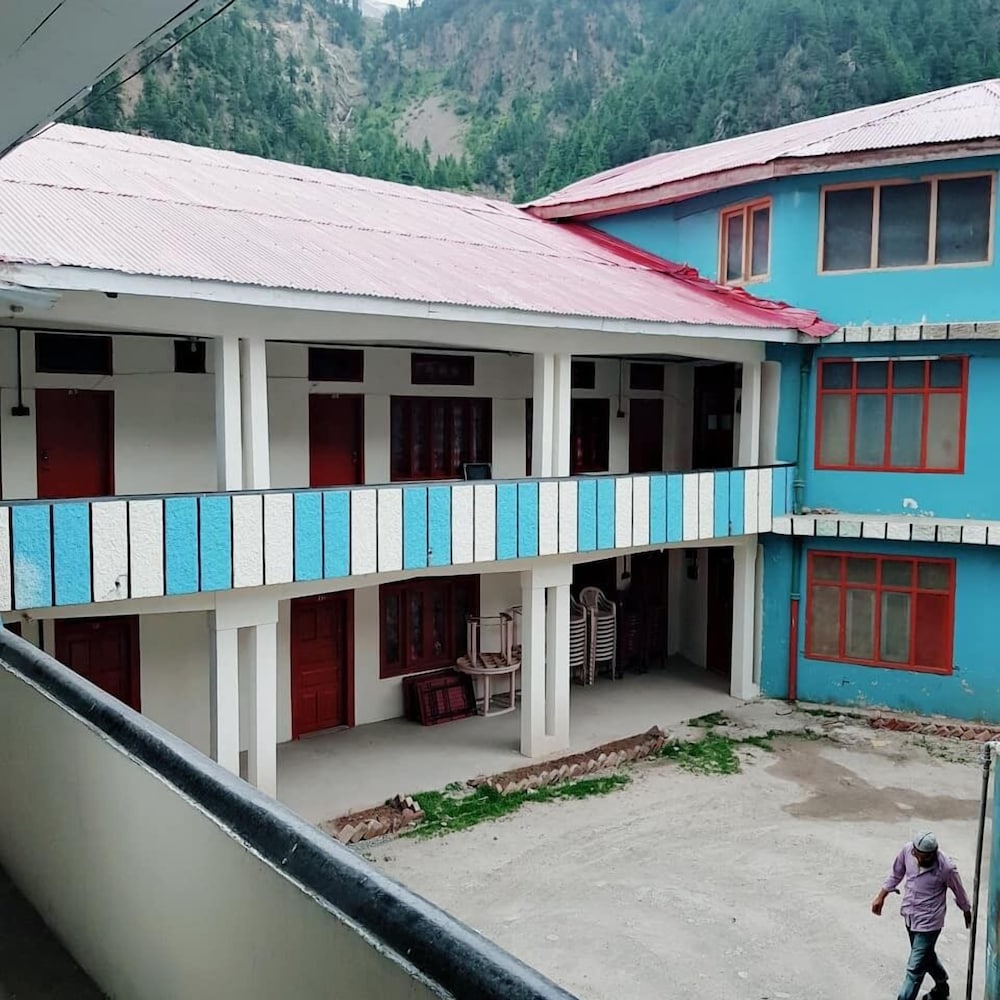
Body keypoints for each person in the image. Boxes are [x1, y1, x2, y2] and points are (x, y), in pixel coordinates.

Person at [871, 832, 973, 1000]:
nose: (920, 859)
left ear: (934, 853)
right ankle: (942, 987)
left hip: (929, 924)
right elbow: (896, 874)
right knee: (926, 956)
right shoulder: (907, 851)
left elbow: (958, 890)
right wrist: (881, 896)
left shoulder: (946, 867)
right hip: (910, 917)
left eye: (925, 857)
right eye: (917, 855)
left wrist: (966, 910)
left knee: (915, 969)